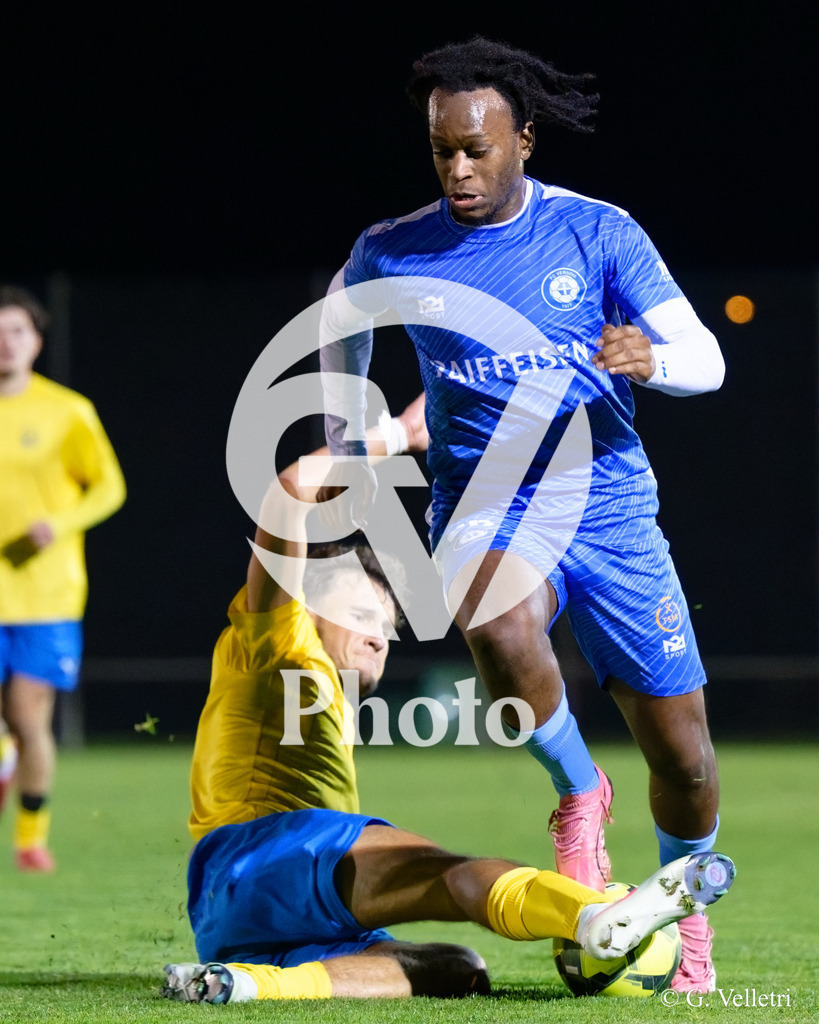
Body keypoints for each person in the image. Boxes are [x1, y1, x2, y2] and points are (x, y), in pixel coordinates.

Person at [317, 37, 727, 994]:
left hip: (609, 507)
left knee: (686, 754)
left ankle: (685, 916)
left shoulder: (597, 232)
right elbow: (341, 316)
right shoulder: (395, 245)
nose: (458, 169)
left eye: (477, 150)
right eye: (441, 151)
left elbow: (706, 355)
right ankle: (579, 793)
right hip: (486, 501)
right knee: (492, 615)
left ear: (524, 141)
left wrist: (652, 362)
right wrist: (347, 423)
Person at [161, 397, 734, 1003]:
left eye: (386, 627)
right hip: (258, 853)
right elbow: (289, 493)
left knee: (454, 969)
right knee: (448, 872)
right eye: (359, 613)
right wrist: (401, 434)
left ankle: (247, 985)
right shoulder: (273, 637)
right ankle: (594, 914)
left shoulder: (313, 690)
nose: (378, 636)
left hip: (233, 922)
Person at [0, 284, 126, 872]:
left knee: (29, 721)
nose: (6, 343)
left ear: (36, 342)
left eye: (17, 332)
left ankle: (30, 838)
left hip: (45, 595)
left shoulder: (67, 411)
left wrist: (60, 521)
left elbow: (108, 487)